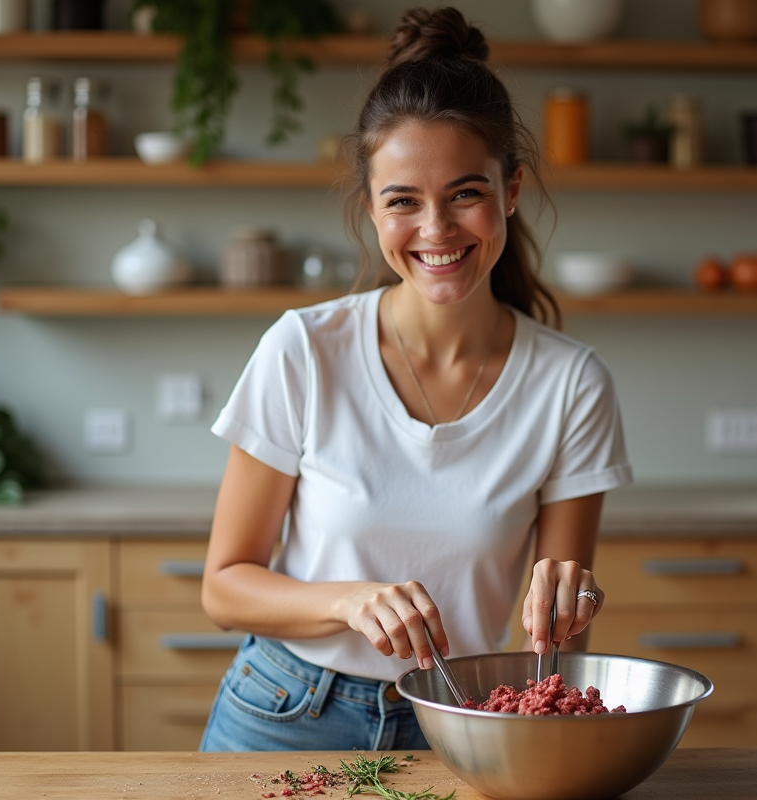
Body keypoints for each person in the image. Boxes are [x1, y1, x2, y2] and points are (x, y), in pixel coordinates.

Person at [199, 6, 633, 753]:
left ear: (513, 190)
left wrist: (575, 596)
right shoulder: (303, 350)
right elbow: (223, 588)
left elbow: (564, 609)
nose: (436, 230)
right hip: (283, 710)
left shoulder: (572, 385)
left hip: (459, 718)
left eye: (465, 193)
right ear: (371, 208)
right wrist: (350, 601)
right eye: (403, 200)